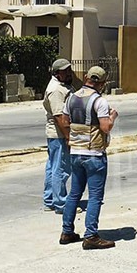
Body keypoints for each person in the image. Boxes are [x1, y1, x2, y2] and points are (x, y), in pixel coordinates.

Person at [58, 66, 119, 250]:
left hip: (76, 152)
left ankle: (67, 231)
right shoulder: (99, 101)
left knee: (74, 193)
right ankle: (91, 235)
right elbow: (105, 127)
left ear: (86, 77)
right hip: (94, 154)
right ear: (102, 83)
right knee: (95, 197)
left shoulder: (72, 97)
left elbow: (63, 121)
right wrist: (112, 117)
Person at [42, 58, 74, 214]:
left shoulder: (62, 86)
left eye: (69, 69)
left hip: (56, 134)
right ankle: (61, 203)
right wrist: (68, 136)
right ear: (57, 73)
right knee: (61, 169)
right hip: (59, 134)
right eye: (65, 71)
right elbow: (59, 116)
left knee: (53, 167)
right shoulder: (56, 90)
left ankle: (50, 200)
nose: (69, 73)